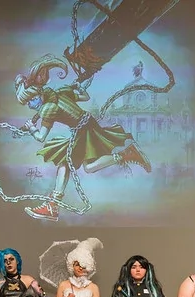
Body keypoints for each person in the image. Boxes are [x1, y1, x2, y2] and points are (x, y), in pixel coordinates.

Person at [14, 55, 150, 222]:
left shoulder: (48, 109)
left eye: (31, 100)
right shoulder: (59, 92)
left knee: (65, 162)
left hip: (83, 129)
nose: (30, 105)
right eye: (27, 103)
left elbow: (41, 137)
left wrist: (32, 128)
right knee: (87, 167)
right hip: (87, 124)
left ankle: (53, 205)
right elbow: (85, 97)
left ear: (39, 94)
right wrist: (78, 88)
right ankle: (127, 154)